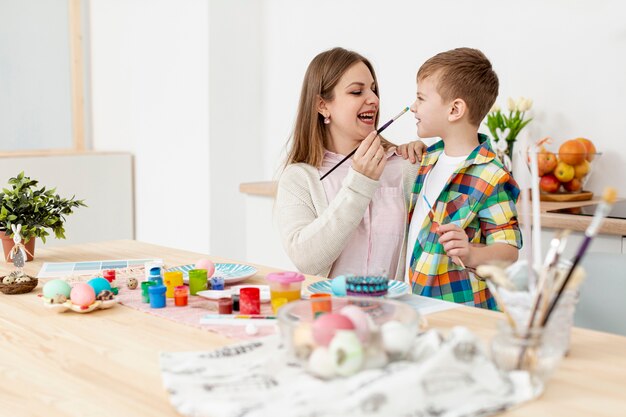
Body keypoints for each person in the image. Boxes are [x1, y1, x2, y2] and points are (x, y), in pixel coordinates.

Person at [275, 47, 425, 280]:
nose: (373, 100)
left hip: (393, 313)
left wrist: (428, 159)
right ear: (322, 105)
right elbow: (307, 260)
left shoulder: (405, 165)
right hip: (328, 312)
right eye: (357, 91)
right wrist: (360, 182)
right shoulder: (299, 178)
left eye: (374, 90)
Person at [405, 47, 522, 310]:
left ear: (455, 109)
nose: (413, 107)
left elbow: (508, 251)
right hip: (417, 304)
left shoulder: (492, 175)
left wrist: (471, 253)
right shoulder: (427, 160)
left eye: (421, 98)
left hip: (461, 311)